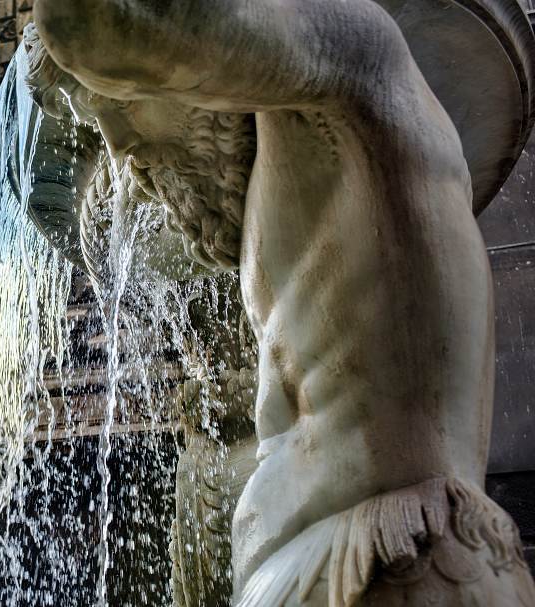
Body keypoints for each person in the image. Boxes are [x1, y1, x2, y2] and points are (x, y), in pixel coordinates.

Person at [30, 0, 535, 604]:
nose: (119, 147)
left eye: (124, 99)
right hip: (331, 562)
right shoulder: (286, 210)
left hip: (392, 550)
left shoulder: (362, 75)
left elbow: (87, 18)